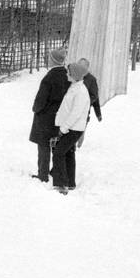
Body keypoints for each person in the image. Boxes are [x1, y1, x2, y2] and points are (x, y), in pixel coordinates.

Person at [29, 48, 70, 182]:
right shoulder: (67, 75)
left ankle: (43, 174)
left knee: (43, 145)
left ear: (53, 60)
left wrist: (36, 109)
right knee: (57, 146)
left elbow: (41, 99)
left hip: (46, 117)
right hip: (61, 116)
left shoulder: (49, 77)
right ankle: (56, 172)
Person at [51, 61, 90, 194]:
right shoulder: (74, 86)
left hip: (73, 128)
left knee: (59, 153)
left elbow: (75, 113)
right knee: (68, 153)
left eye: (69, 72)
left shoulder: (81, 91)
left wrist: (64, 128)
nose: (67, 74)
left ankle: (62, 185)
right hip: (70, 127)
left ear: (75, 75)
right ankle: (70, 182)